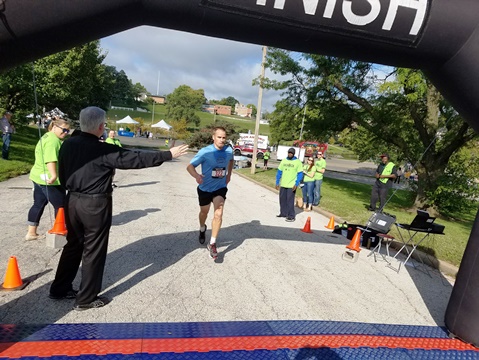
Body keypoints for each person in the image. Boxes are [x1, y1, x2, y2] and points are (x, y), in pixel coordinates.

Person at [49, 106, 188, 310]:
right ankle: (86, 298)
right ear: (100, 126)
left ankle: (59, 288)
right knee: (93, 250)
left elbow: (62, 173)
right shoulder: (101, 149)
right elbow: (135, 158)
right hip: (95, 203)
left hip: (72, 200)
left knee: (73, 245)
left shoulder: (68, 143)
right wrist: (167, 154)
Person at [187, 126, 233, 260]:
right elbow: (190, 167)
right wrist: (196, 176)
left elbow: (231, 160)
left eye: (224, 137)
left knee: (218, 213)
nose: (222, 140)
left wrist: (229, 174)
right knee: (204, 212)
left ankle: (212, 243)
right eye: (219, 137)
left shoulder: (229, 150)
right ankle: (202, 228)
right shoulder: (205, 152)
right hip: (205, 188)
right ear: (213, 137)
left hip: (220, 187)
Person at [25, 118, 70, 241]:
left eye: (68, 131)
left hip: (38, 176)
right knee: (60, 206)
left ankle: (31, 233)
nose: (66, 132)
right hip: (49, 180)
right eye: (64, 130)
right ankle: (60, 233)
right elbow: (51, 160)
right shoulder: (53, 141)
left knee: (38, 204)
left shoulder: (46, 136)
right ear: (55, 127)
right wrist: (54, 175)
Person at [275, 147, 303, 222]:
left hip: (291, 185)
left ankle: (291, 216)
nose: (290, 154)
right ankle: (283, 213)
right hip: (283, 184)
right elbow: (279, 172)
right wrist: (277, 182)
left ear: (293, 154)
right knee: (282, 199)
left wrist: (296, 184)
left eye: (291, 153)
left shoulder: (297, 162)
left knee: (290, 201)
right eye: (289, 153)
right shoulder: (284, 161)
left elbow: (300, 174)